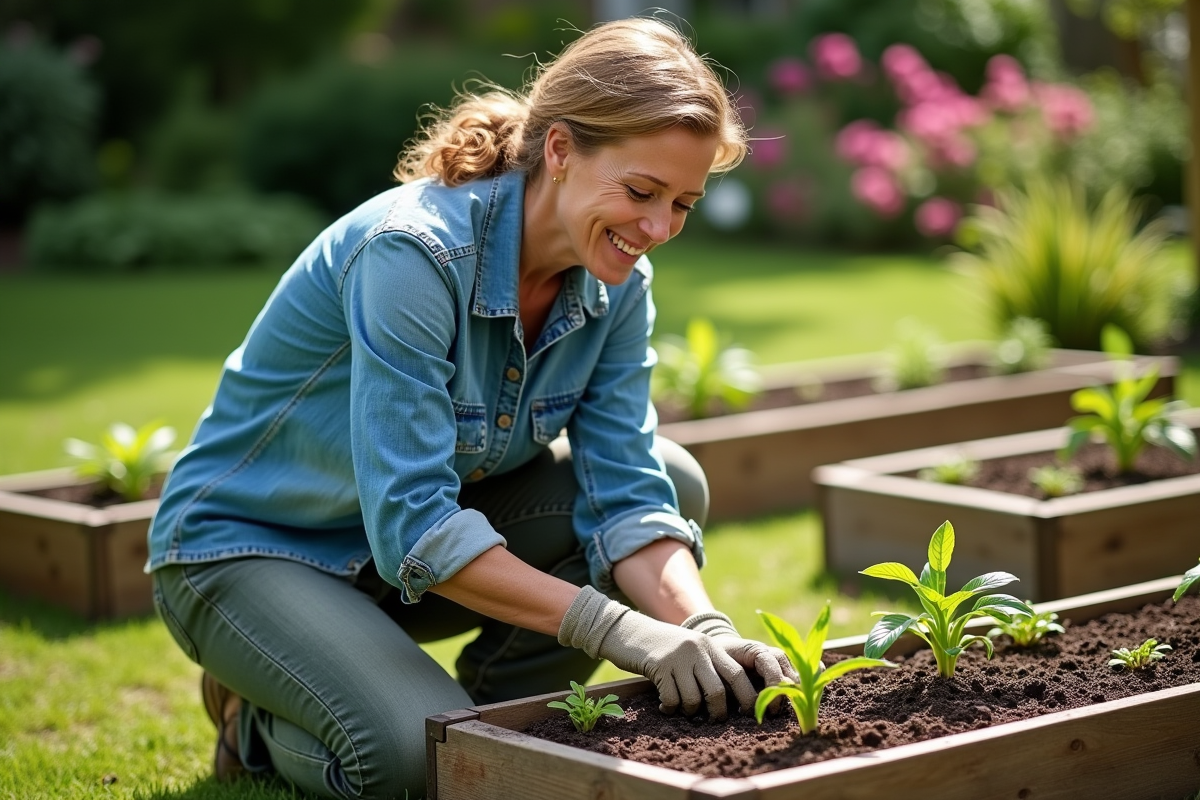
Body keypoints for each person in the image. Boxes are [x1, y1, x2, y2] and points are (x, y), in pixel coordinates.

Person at [147, 16, 798, 799]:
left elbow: (627, 488)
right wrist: (626, 633)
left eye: (684, 204)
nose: (658, 229)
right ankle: (253, 720)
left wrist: (703, 629)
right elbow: (416, 522)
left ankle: (477, 714)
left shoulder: (616, 287)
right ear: (559, 150)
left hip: (392, 569)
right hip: (246, 550)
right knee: (408, 763)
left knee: (671, 478)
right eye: (641, 192)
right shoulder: (413, 255)